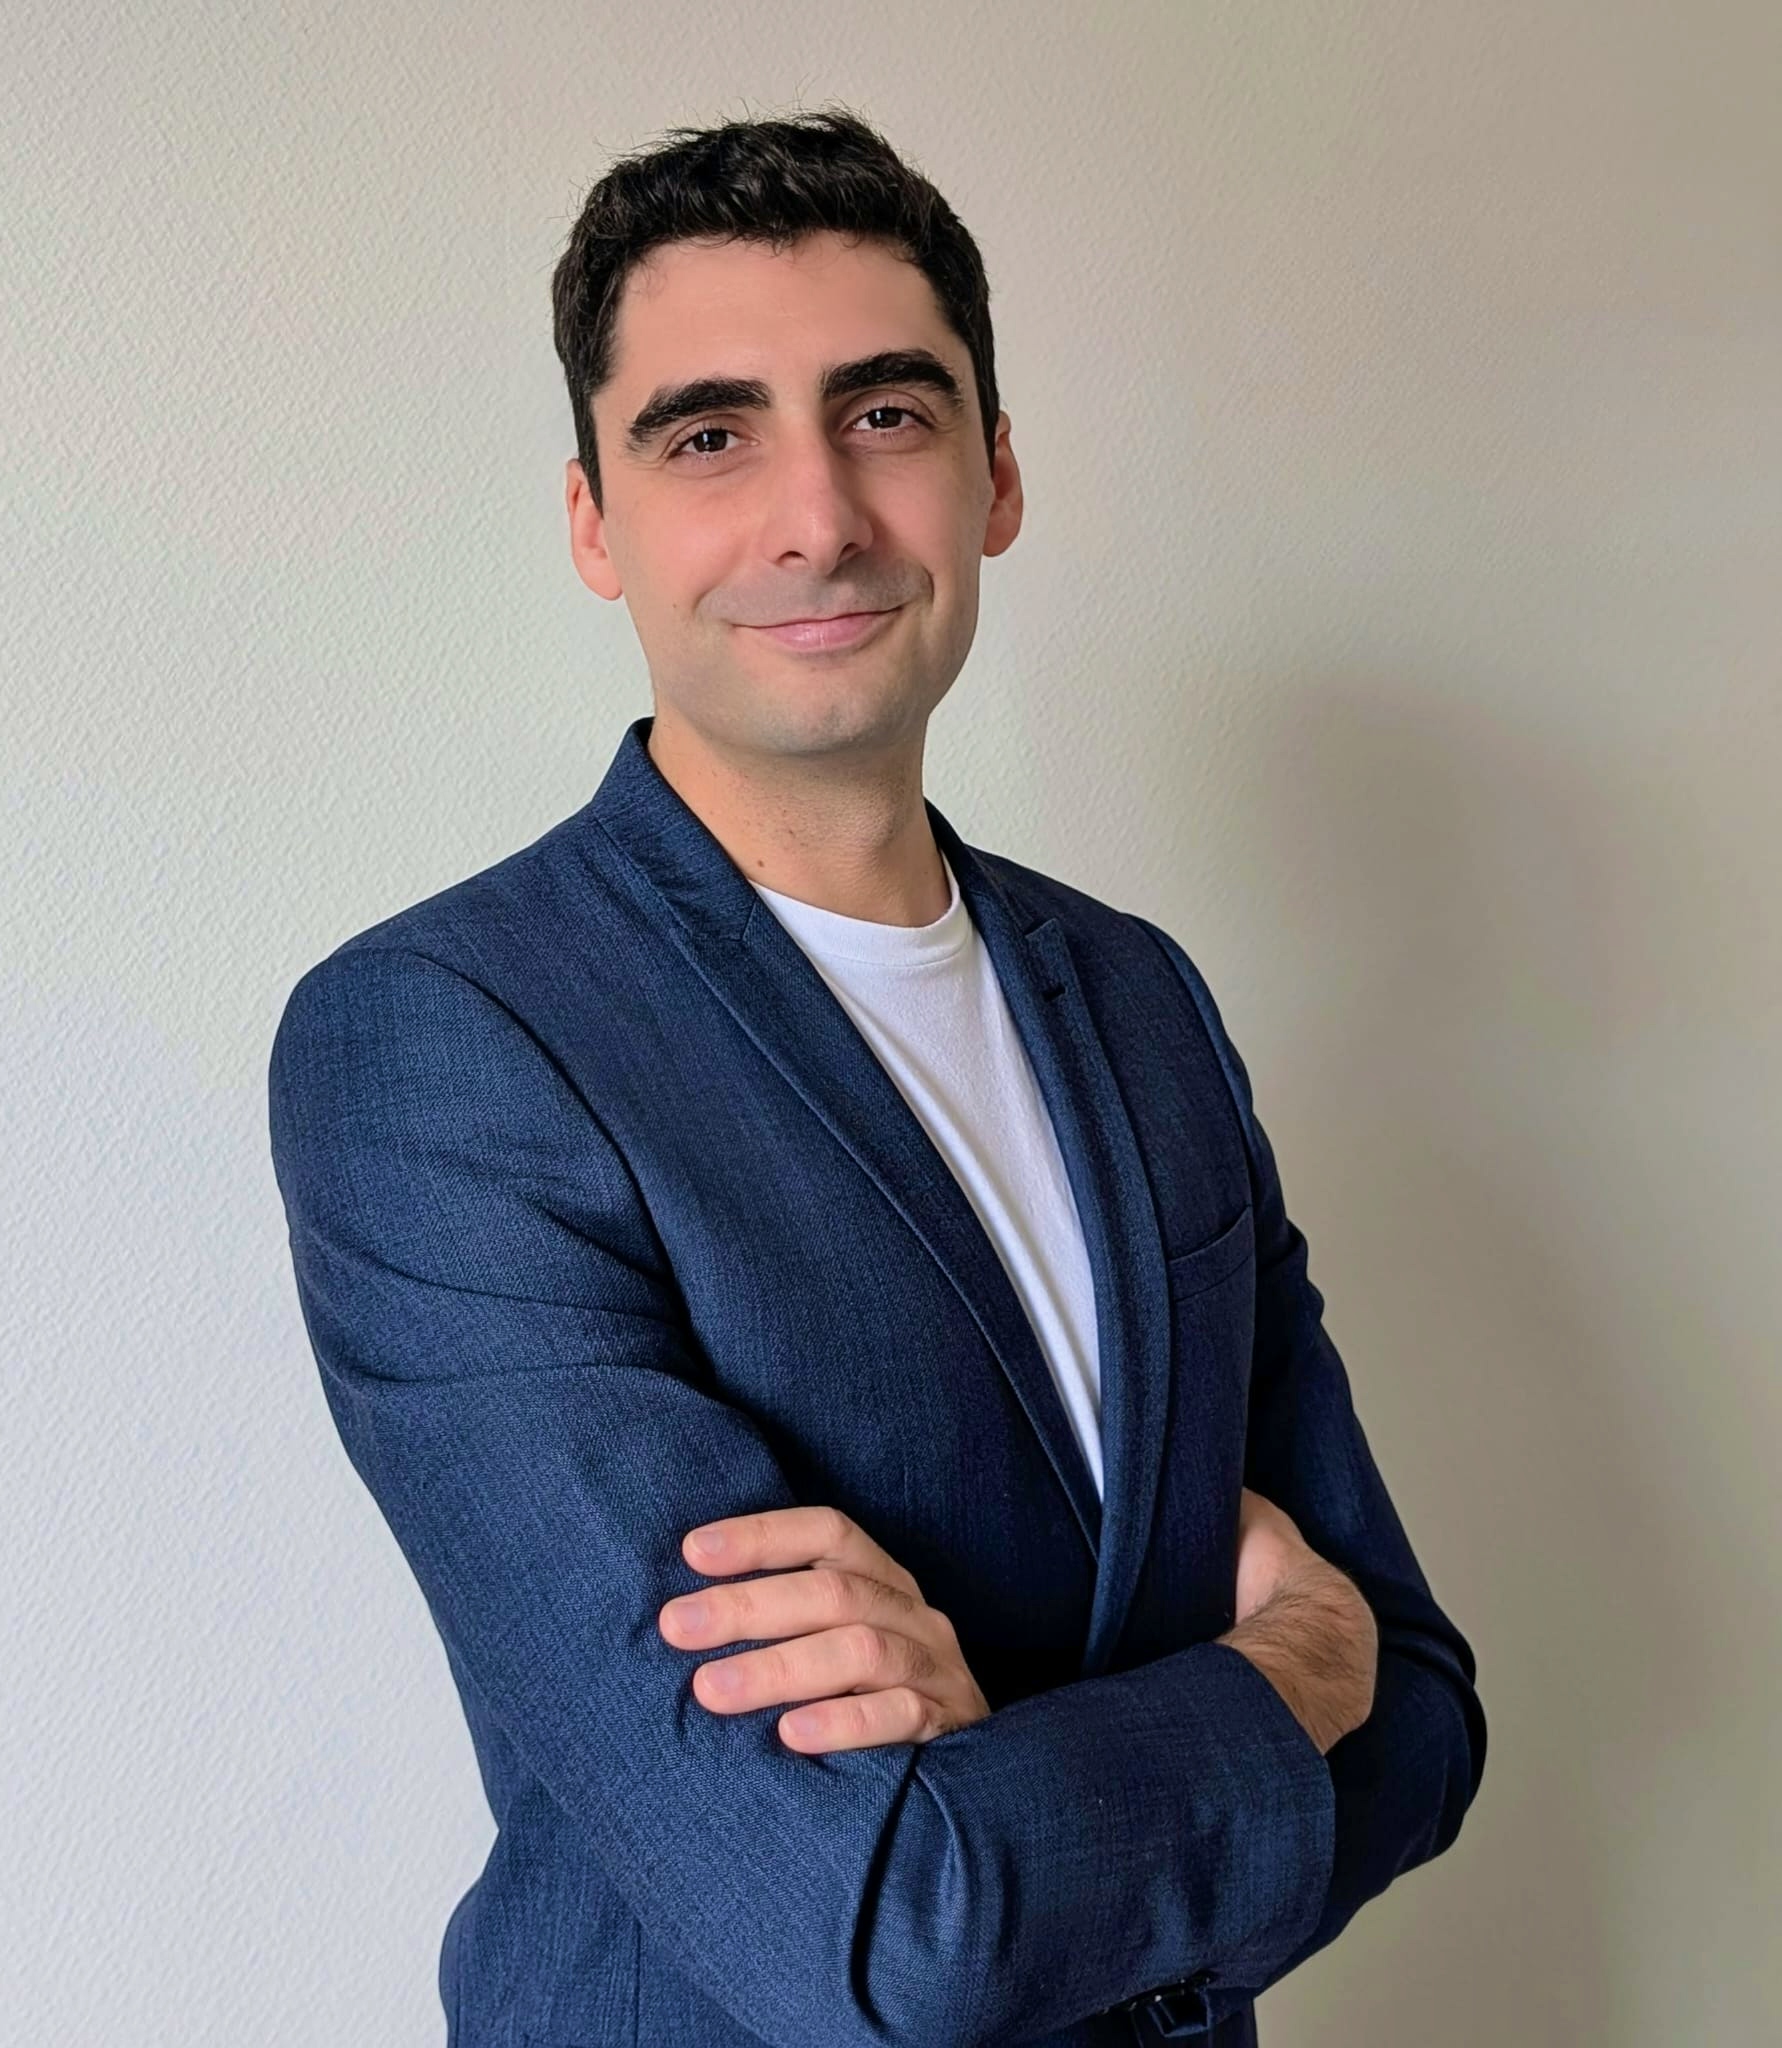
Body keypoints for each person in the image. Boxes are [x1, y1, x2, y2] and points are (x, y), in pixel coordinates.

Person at [267, 105, 1486, 2048]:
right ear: (592, 521)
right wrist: (1285, 1676)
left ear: (994, 474)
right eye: (708, 436)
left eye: (887, 414)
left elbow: (1419, 1716)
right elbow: (875, 1926)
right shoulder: (449, 1043)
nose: (817, 516)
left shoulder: (1140, 999)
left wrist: (1202, 1727)